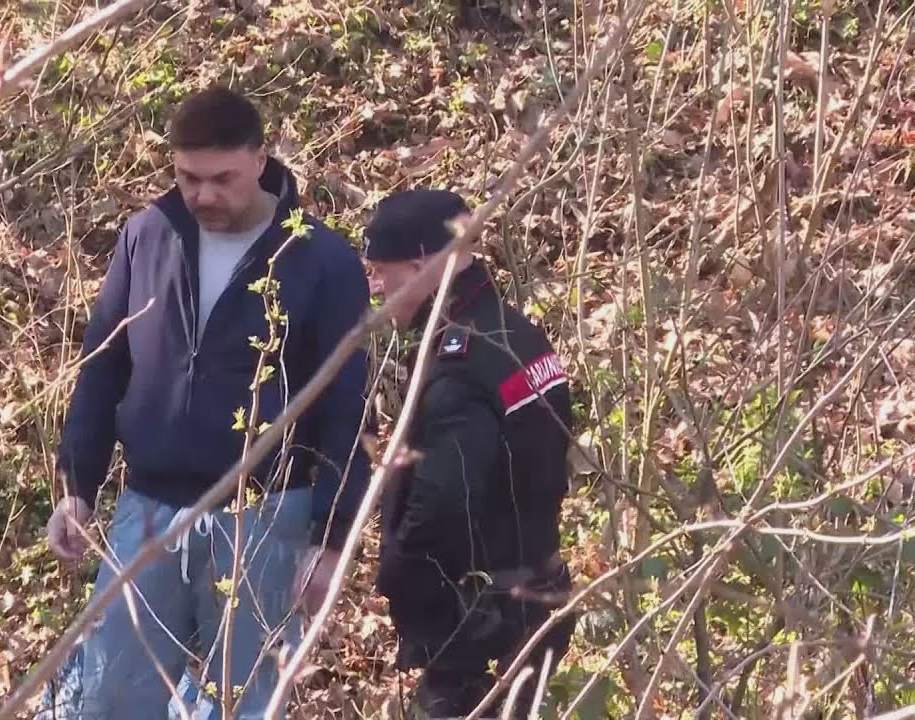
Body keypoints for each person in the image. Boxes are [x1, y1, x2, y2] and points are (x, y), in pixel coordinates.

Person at [43, 87, 371, 719]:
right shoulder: (147, 236)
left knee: (248, 700)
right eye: (189, 178)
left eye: (222, 178)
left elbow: (344, 408)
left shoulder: (319, 258)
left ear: (260, 159)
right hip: (147, 510)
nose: (204, 196)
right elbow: (103, 367)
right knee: (111, 694)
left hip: (268, 515)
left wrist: (329, 541)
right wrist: (78, 484)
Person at [363, 189, 576, 719]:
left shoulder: (459, 365)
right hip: (536, 593)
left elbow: (443, 503)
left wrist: (400, 575)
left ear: (418, 266)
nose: (376, 287)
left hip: (483, 626)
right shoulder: (517, 335)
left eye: (381, 272)